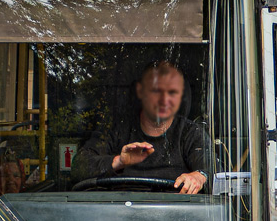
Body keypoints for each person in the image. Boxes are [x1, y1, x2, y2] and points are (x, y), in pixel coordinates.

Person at [71, 61, 209, 194]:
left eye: (172, 92)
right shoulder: (116, 131)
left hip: (174, 214)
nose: (164, 100)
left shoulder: (190, 133)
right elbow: (79, 167)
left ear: (181, 96)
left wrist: (199, 176)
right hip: (119, 213)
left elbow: (214, 168)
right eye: (156, 90)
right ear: (140, 91)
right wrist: (119, 161)